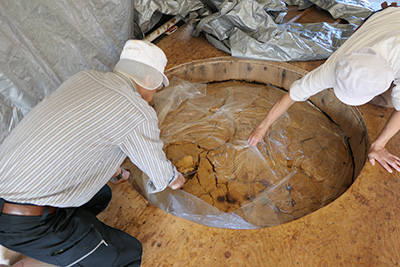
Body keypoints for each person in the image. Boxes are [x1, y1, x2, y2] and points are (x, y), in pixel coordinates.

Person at [0, 40, 185, 266]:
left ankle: (63, 247)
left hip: (9, 189)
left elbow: (82, 133)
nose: (155, 93)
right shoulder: (137, 111)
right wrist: (175, 178)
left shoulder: (84, 78)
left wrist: (115, 171)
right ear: (150, 79)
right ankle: (43, 255)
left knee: (101, 196)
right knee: (127, 254)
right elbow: (162, 175)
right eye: (157, 86)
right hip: (23, 222)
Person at [247, 6, 400, 173]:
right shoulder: (336, 66)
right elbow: (294, 94)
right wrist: (263, 126)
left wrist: (379, 145)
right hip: (386, 18)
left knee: (389, 103)